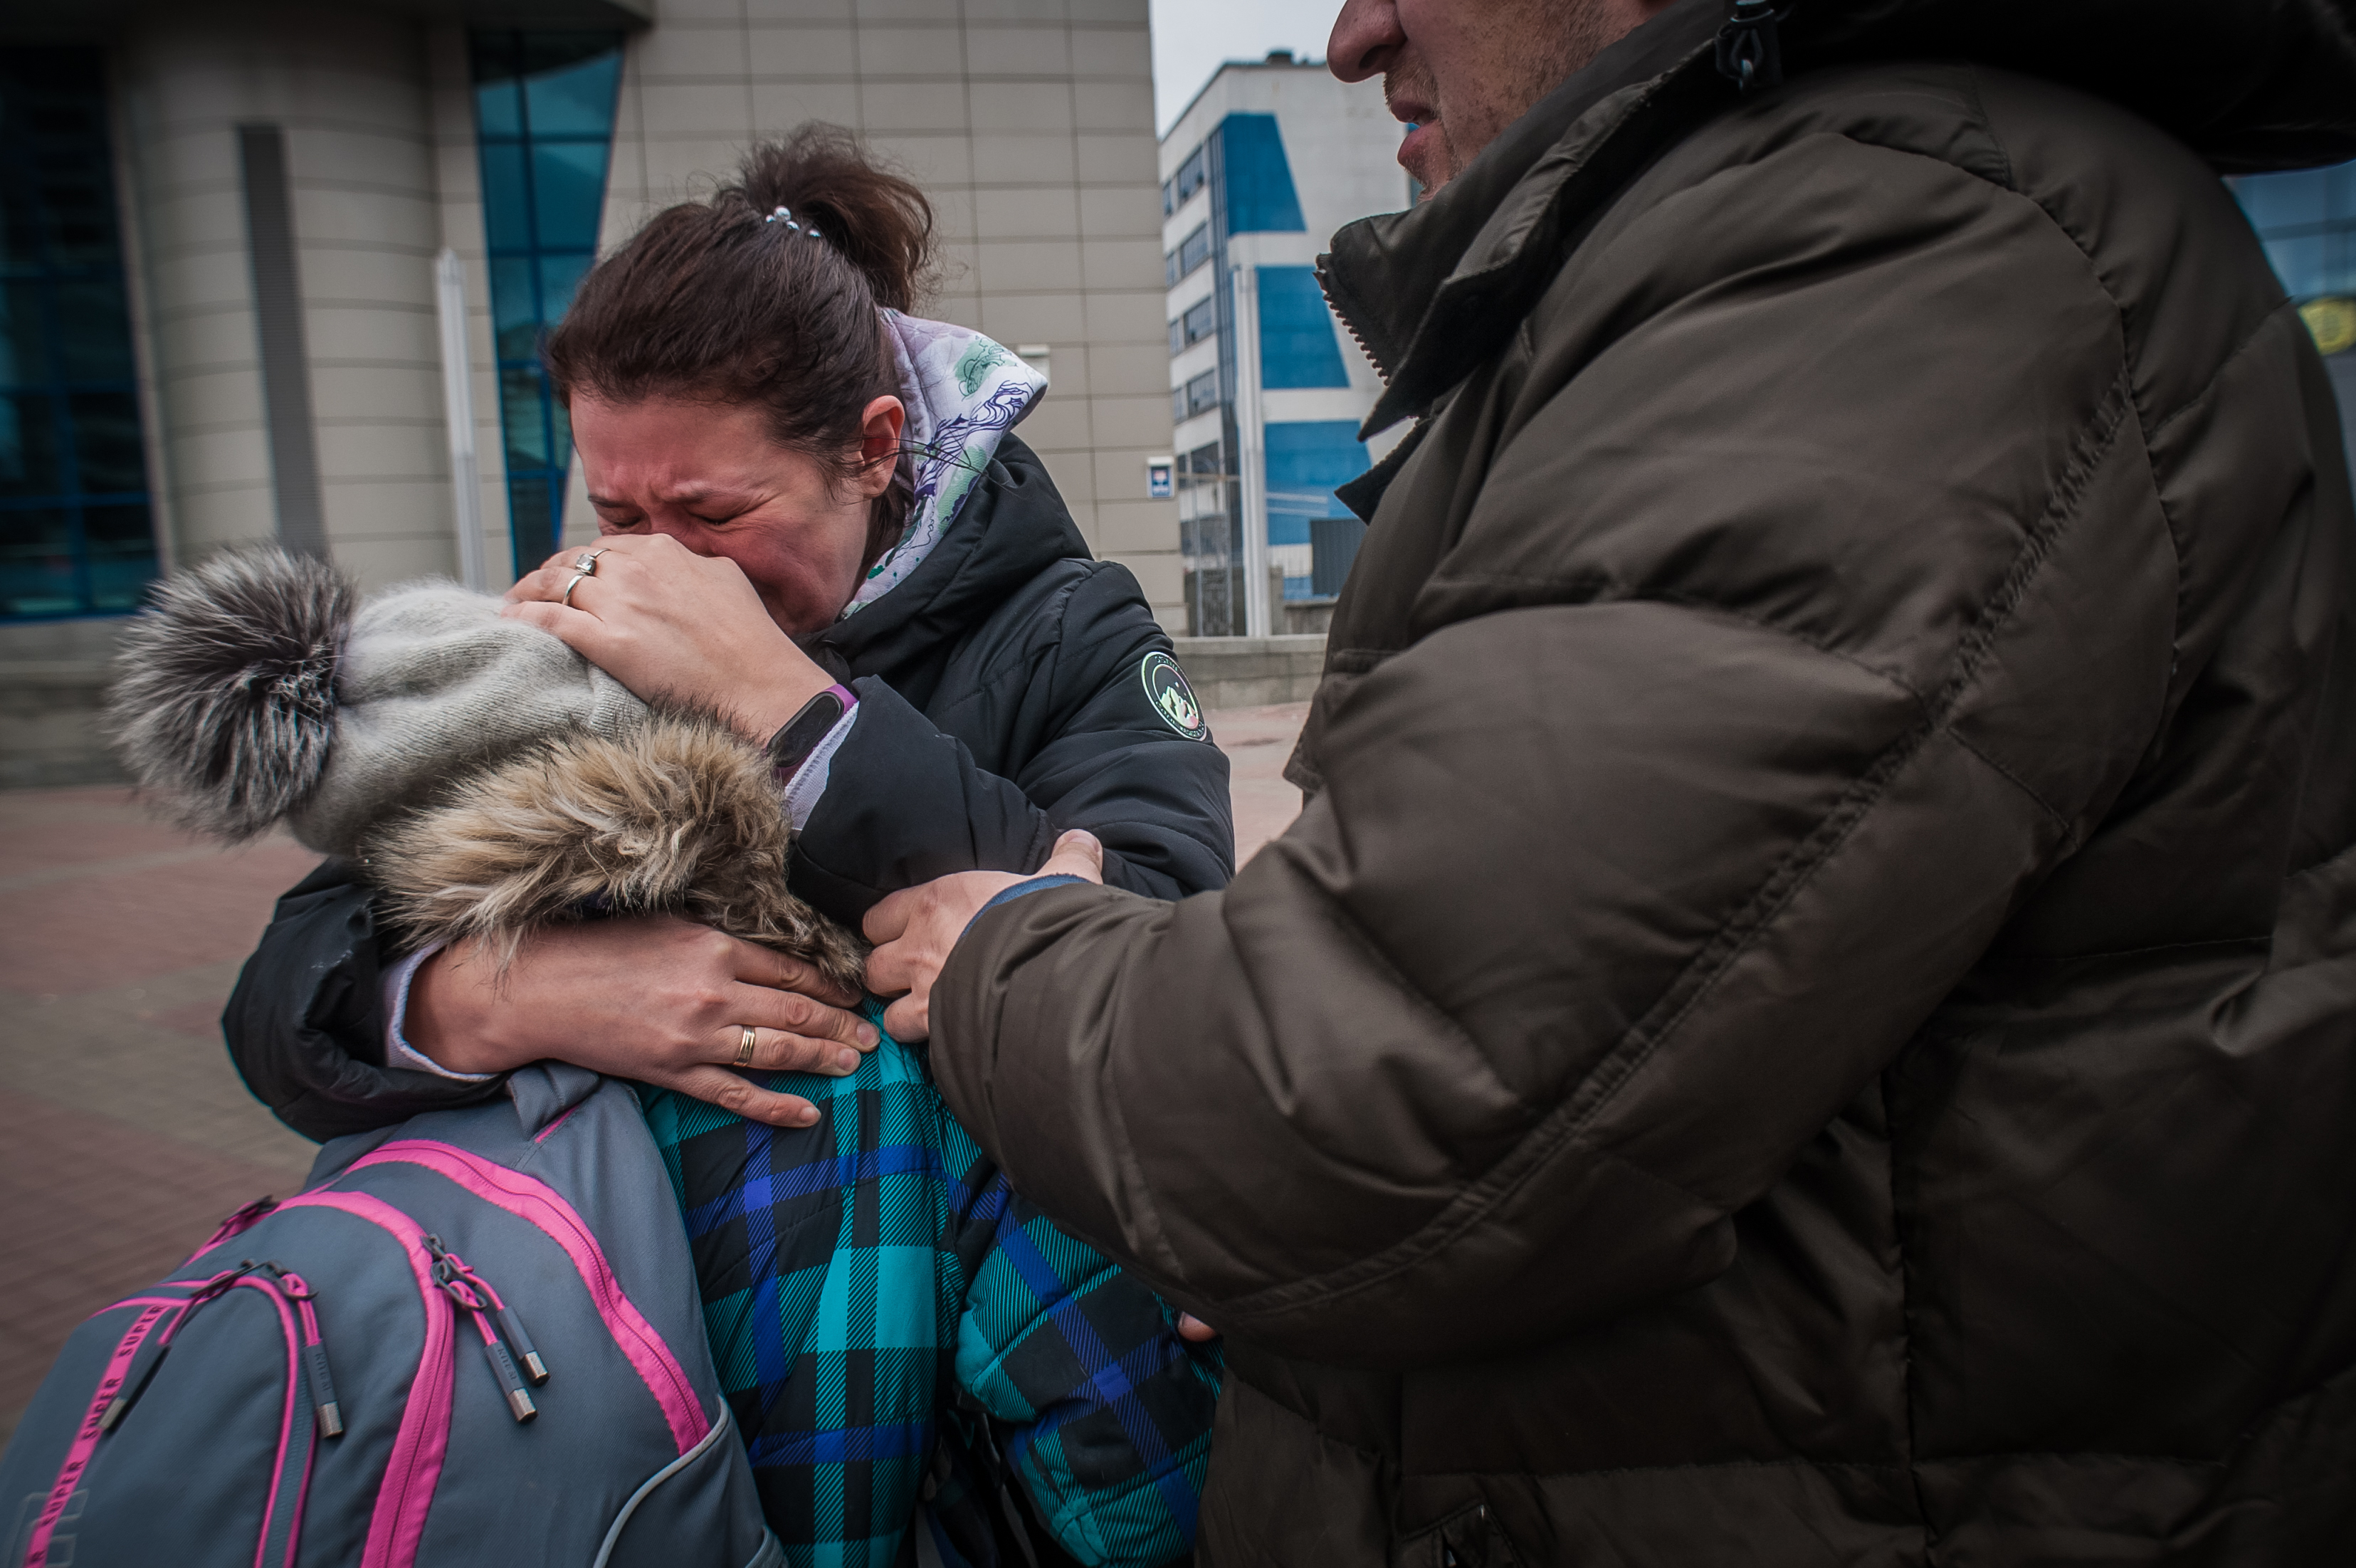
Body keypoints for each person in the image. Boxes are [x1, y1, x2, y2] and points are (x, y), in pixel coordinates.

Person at [861, 0, 2356, 1561]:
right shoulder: (1803, 237)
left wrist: (1005, 953)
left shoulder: (1879, 254)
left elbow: (1370, 1101)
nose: (1353, 35)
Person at [220, 127, 1231, 1564]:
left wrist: (784, 706)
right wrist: (504, 995)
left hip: (970, 1414)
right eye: (615, 513)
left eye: (711, 513)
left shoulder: (1066, 629)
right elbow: (285, 990)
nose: (655, 569)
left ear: (873, 450)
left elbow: (1163, 935)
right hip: (638, 1392)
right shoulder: (577, 647)